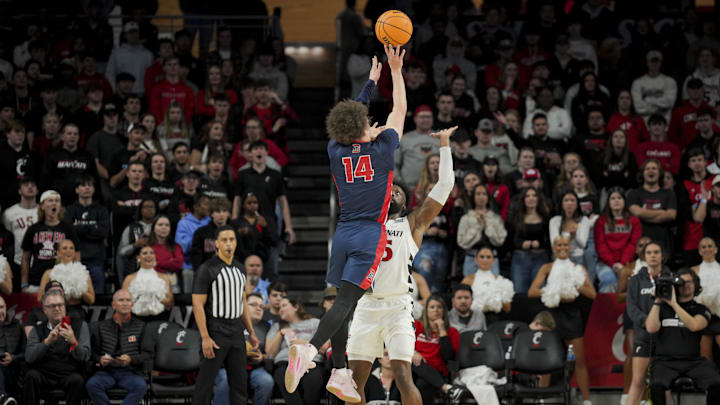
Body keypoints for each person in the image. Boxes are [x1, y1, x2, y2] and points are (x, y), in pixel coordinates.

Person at [285, 45, 407, 402]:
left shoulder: (334, 150)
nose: (374, 122)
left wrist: (369, 84)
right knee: (344, 306)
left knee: (340, 303)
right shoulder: (383, 148)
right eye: (370, 121)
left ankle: (340, 372)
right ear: (366, 128)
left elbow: (352, 116)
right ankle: (309, 350)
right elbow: (399, 108)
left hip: (342, 233)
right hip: (369, 234)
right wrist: (394, 71)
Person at [347, 126, 457, 405]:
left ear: (406, 203)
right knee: (353, 381)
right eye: (389, 189)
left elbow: (444, 186)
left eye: (399, 190)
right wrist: (366, 144)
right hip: (366, 305)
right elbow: (357, 177)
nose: (394, 191)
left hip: (397, 306)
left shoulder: (412, 223)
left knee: (403, 374)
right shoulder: (366, 221)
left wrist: (444, 143)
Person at [192, 225, 259, 404]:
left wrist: (251, 331)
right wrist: (205, 337)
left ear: (236, 243)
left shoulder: (240, 268)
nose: (229, 243)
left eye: (232, 239)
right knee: (204, 385)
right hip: (215, 330)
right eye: (224, 240)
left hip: (237, 331)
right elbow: (197, 305)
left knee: (240, 385)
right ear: (216, 244)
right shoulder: (206, 269)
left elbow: (242, 301)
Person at [528, 235, 597, 405]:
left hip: (572, 316)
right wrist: (554, 291)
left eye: (565, 245)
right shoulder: (547, 268)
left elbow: (592, 294)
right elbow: (532, 292)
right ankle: (541, 399)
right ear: (553, 248)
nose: (562, 248)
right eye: (559, 245)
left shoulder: (578, 268)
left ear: (570, 247)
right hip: (552, 315)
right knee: (546, 359)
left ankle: (586, 401)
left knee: (579, 360)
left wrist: (574, 284)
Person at [645, 268, 720, 405]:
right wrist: (657, 301)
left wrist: (674, 304)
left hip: (693, 362)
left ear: (696, 285)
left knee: (716, 383)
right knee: (656, 385)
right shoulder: (662, 308)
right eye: (682, 282)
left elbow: (694, 325)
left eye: (689, 282)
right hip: (664, 362)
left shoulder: (702, 309)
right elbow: (650, 328)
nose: (685, 285)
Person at [85, 289, 153, 405]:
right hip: (105, 371)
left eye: (128, 300)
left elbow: (148, 354)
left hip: (130, 372)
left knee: (141, 386)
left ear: (132, 304)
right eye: (121, 300)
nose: (125, 303)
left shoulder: (142, 326)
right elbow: (91, 353)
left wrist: (131, 359)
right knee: (92, 385)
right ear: (113, 305)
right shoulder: (100, 326)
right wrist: (100, 359)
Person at [24, 289, 91, 405]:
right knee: (31, 376)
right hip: (44, 374)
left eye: (60, 305)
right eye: (52, 306)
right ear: (45, 310)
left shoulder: (80, 325)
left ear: (65, 307)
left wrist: (73, 341)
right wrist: (47, 342)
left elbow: (85, 356)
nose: (57, 308)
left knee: (77, 380)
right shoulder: (37, 329)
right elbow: (29, 357)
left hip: (69, 373)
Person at [626, 241, 672, 405]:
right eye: (649, 253)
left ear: (662, 255)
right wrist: (647, 322)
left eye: (656, 252)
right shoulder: (635, 280)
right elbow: (631, 308)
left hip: (666, 336)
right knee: (637, 381)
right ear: (644, 257)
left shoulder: (671, 278)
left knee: (664, 384)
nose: (653, 255)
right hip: (643, 335)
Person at [21, 190, 80, 292]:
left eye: (57, 201)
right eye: (50, 200)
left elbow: (77, 256)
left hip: (62, 281)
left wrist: (75, 281)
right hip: (36, 281)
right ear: (42, 206)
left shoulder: (68, 228)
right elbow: (25, 258)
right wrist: (24, 283)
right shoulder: (33, 229)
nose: (54, 203)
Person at [616, 236, 651, 405]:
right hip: (633, 313)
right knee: (633, 353)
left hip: (653, 314)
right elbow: (619, 297)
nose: (644, 248)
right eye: (641, 245)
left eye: (647, 245)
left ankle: (646, 397)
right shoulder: (628, 270)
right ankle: (626, 394)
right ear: (636, 249)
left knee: (653, 356)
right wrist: (636, 290)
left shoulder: (659, 271)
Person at [412, 294, 463, 404]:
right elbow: (403, 344)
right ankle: (446, 388)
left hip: (437, 372)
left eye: (439, 307)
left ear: (444, 311)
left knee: (422, 383)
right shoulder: (417, 326)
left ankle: (444, 386)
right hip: (413, 367)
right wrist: (414, 352)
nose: (436, 310)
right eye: (432, 307)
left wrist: (442, 330)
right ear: (426, 310)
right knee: (412, 364)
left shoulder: (452, 332)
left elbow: (449, 357)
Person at [66, 175, 109, 294]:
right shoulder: (69, 210)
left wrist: (79, 228)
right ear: (76, 190)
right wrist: (91, 227)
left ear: (94, 189)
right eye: (83, 185)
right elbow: (68, 232)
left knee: (97, 295)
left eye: (90, 185)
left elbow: (103, 233)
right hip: (74, 261)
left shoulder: (101, 210)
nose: (87, 188)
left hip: (96, 260)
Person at [627, 159, 677, 256]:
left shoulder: (669, 194)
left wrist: (644, 214)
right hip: (640, 241)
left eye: (654, 168)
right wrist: (662, 212)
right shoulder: (633, 193)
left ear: (659, 173)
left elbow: (671, 215)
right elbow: (637, 213)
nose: (651, 171)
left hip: (663, 241)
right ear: (643, 173)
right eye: (647, 169)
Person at [456, 183, 507, 276]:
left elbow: (500, 240)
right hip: (471, 257)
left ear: (488, 197)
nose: (481, 197)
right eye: (478, 194)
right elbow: (461, 242)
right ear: (473, 197)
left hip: (491, 258)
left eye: (484, 194)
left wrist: (487, 225)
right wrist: (477, 226)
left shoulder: (495, 217)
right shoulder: (466, 218)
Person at [37, 239, 94, 319]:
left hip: (76, 312)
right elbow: (40, 298)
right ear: (58, 252)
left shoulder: (83, 272)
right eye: (64, 248)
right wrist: (55, 293)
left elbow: (91, 300)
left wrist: (78, 290)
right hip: (55, 312)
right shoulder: (49, 273)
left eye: (71, 248)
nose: (68, 251)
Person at [509, 186, 551, 293]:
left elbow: (550, 241)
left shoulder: (546, 217)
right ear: (523, 200)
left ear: (538, 199)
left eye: (534, 195)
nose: (531, 198)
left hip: (540, 258)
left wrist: (540, 243)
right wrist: (521, 244)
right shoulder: (515, 217)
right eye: (527, 196)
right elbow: (510, 240)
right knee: (520, 292)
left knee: (540, 291)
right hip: (520, 258)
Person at [121, 244, 173, 323]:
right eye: (145, 253)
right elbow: (123, 303)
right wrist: (137, 297)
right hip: (135, 320)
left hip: (159, 319)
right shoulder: (129, 279)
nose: (148, 256)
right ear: (138, 258)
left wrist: (157, 296)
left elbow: (169, 303)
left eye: (152, 253)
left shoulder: (164, 278)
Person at [460, 247, 513, 325]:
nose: (485, 260)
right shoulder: (467, 280)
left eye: (488, 257)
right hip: (473, 319)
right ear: (476, 259)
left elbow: (507, 309)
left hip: (494, 319)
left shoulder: (501, 281)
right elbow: (461, 303)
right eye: (482, 257)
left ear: (493, 260)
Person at [2, 178, 38, 290]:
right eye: (26, 185)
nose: (30, 187)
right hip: (17, 262)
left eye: (33, 185)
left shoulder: (44, 210)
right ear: (19, 191)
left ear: (37, 190)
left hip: (40, 261)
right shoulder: (9, 213)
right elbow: (7, 237)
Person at [116, 199, 157, 284]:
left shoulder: (160, 226)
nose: (149, 209)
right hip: (135, 268)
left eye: (152, 207)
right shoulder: (130, 228)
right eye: (146, 207)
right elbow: (121, 252)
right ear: (140, 210)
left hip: (158, 267)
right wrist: (134, 245)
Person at [175, 194, 210, 291]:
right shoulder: (183, 223)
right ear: (195, 206)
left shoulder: (210, 222)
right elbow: (182, 247)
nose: (209, 207)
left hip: (208, 264)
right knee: (187, 273)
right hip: (189, 265)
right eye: (206, 204)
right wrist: (202, 242)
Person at [631, 50, 677, 123]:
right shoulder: (637, 82)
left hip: (664, 124)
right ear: (647, 62)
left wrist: (648, 100)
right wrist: (660, 107)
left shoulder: (669, 81)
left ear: (661, 63)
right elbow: (638, 108)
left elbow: (669, 103)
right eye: (652, 61)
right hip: (645, 125)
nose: (654, 64)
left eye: (657, 61)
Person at [245, 292, 273, 405]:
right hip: (231, 366)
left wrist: (261, 357)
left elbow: (271, 354)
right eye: (253, 305)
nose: (258, 308)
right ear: (243, 306)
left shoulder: (267, 327)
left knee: (266, 381)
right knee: (226, 380)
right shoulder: (234, 322)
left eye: (261, 306)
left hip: (255, 368)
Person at [148, 215, 183, 293]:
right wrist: (170, 261)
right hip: (152, 282)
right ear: (153, 228)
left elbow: (178, 265)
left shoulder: (176, 247)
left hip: (172, 283)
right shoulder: (148, 247)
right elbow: (149, 265)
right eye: (160, 225)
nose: (164, 227)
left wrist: (158, 262)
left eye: (167, 225)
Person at [0, 295, 23, 404]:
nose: (0, 311)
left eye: (1, 307)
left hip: (14, 368)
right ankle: (3, 397)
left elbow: (26, 352)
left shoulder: (17, 325)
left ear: (5, 307)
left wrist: (13, 358)